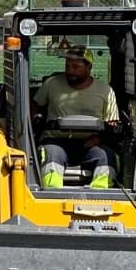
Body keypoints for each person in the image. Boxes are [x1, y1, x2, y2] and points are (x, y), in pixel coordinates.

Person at [32, 45, 120, 188]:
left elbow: (113, 123)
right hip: (56, 141)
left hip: (90, 144)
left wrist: (100, 139)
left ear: (88, 67)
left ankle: (100, 195)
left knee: (106, 157)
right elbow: (34, 105)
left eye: (75, 67)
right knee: (51, 155)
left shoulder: (105, 91)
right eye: (67, 65)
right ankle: (52, 195)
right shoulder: (52, 84)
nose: (69, 70)